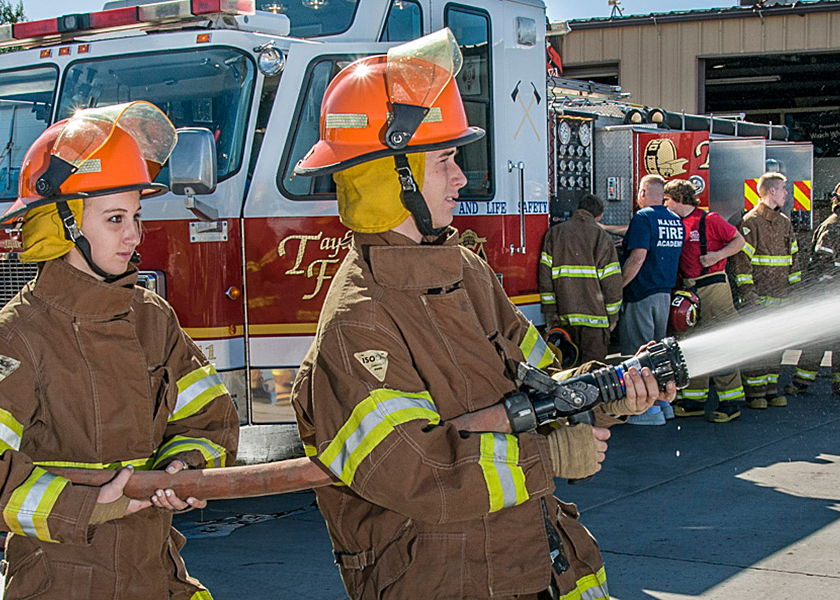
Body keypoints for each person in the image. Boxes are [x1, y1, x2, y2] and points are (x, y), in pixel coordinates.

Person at [288, 30, 674, 600]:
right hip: (448, 581)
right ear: (390, 180)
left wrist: (604, 391)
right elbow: (415, 469)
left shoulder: (466, 271)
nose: (462, 178)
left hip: (532, 564)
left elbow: (538, 378)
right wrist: (549, 456)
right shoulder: (359, 320)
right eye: (445, 161)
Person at [0, 101, 238, 599]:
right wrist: (93, 505)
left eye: (136, 216)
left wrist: (184, 468)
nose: (133, 235)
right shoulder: (16, 338)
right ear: (63, 226)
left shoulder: (150, 318)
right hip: (61, 582)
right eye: (115, 218)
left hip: (157, 572)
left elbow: (209, 419)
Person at [662, 179, 749, 422]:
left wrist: (717, 256)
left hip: (713, 286)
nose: (664, 205)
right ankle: (694, 400)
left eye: (667, 200)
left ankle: (731, 402)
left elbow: (739, 241)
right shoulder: (675, 222)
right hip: (689, 290)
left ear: (678, 198)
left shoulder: (709, 219)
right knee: (691, 342)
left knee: (721, 341)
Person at [786, 174, 840, 398]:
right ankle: (800, 383)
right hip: (830, 294)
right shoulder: (832, 227)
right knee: (819, 340)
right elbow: (822, 262)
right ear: (839, 204)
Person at [729, 172, 804, 410]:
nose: (786, 193)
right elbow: (742, 263)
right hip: (758, 299)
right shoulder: (751, 223)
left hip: (781, 298)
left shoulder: (784, 222)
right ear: (771, 191)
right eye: (783, 188)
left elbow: (793, 258)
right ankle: (755, 392)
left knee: (776, 347)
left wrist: (795, 290)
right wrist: (748, 293)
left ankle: (771, 389)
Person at [616, 175, 684, 424]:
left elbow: (637, 258)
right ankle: (664, 405)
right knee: (658, 353)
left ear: (643, 192)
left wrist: (618, 287)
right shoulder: (675, 220)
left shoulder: (642, 218)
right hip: (664, 293)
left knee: (639, 355)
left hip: (641, 293)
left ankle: (646, 412)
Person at [537, 193, 623, 364]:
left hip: (564, 319)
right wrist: (613, 317)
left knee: (567, 372)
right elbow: (612, 283)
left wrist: (551, 311)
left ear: (578, 209)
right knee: (593, 373)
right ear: (599, 215)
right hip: (595, 324)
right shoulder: (602, 237)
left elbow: (545, 277)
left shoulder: (555, 233)